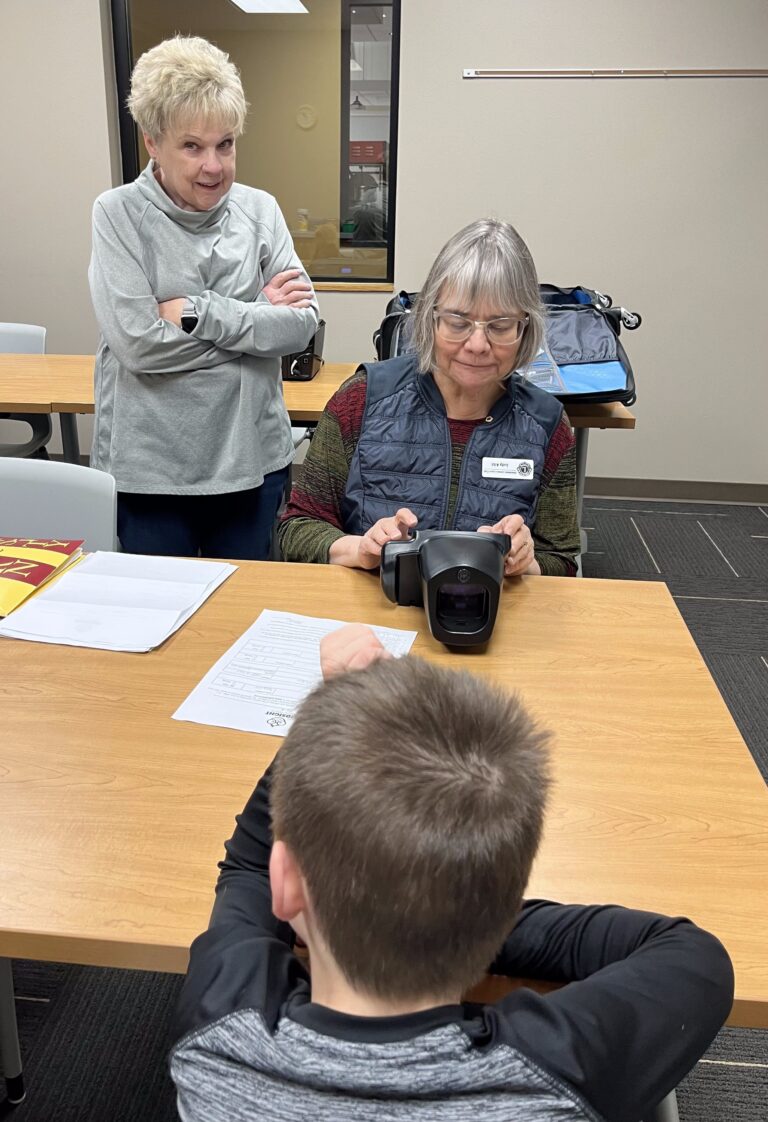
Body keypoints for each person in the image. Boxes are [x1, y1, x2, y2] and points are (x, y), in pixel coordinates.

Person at [170, 623, 734, 1121]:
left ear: (287, 885)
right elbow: (692, 955)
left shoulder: (219, 1025)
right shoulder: (554, 1073)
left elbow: (247, 866)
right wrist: (463, 903)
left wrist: (334, 715)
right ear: (499, 909)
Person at [89, 36, 319, 558]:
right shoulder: (117, 215)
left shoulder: (260, 210)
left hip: (252, 461)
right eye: (192, 146)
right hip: (152, 473)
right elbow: (139, 345)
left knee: (247, 604)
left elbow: (301, 325)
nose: (214, 166)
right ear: (152, 142)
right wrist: (256, 320)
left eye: (226, 144)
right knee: (159, 607)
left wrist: (198, 312)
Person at [278, 218, 579, 576]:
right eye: (458, 322)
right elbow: (298, 528)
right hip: (373, 606)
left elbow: (561, 559)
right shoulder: (361, 400)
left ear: (525, 329)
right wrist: (360, 549)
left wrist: (526, 563)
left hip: (489, 608)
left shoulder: (547, 425)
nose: (477, 344)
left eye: (500, 327)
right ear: (430, 318)